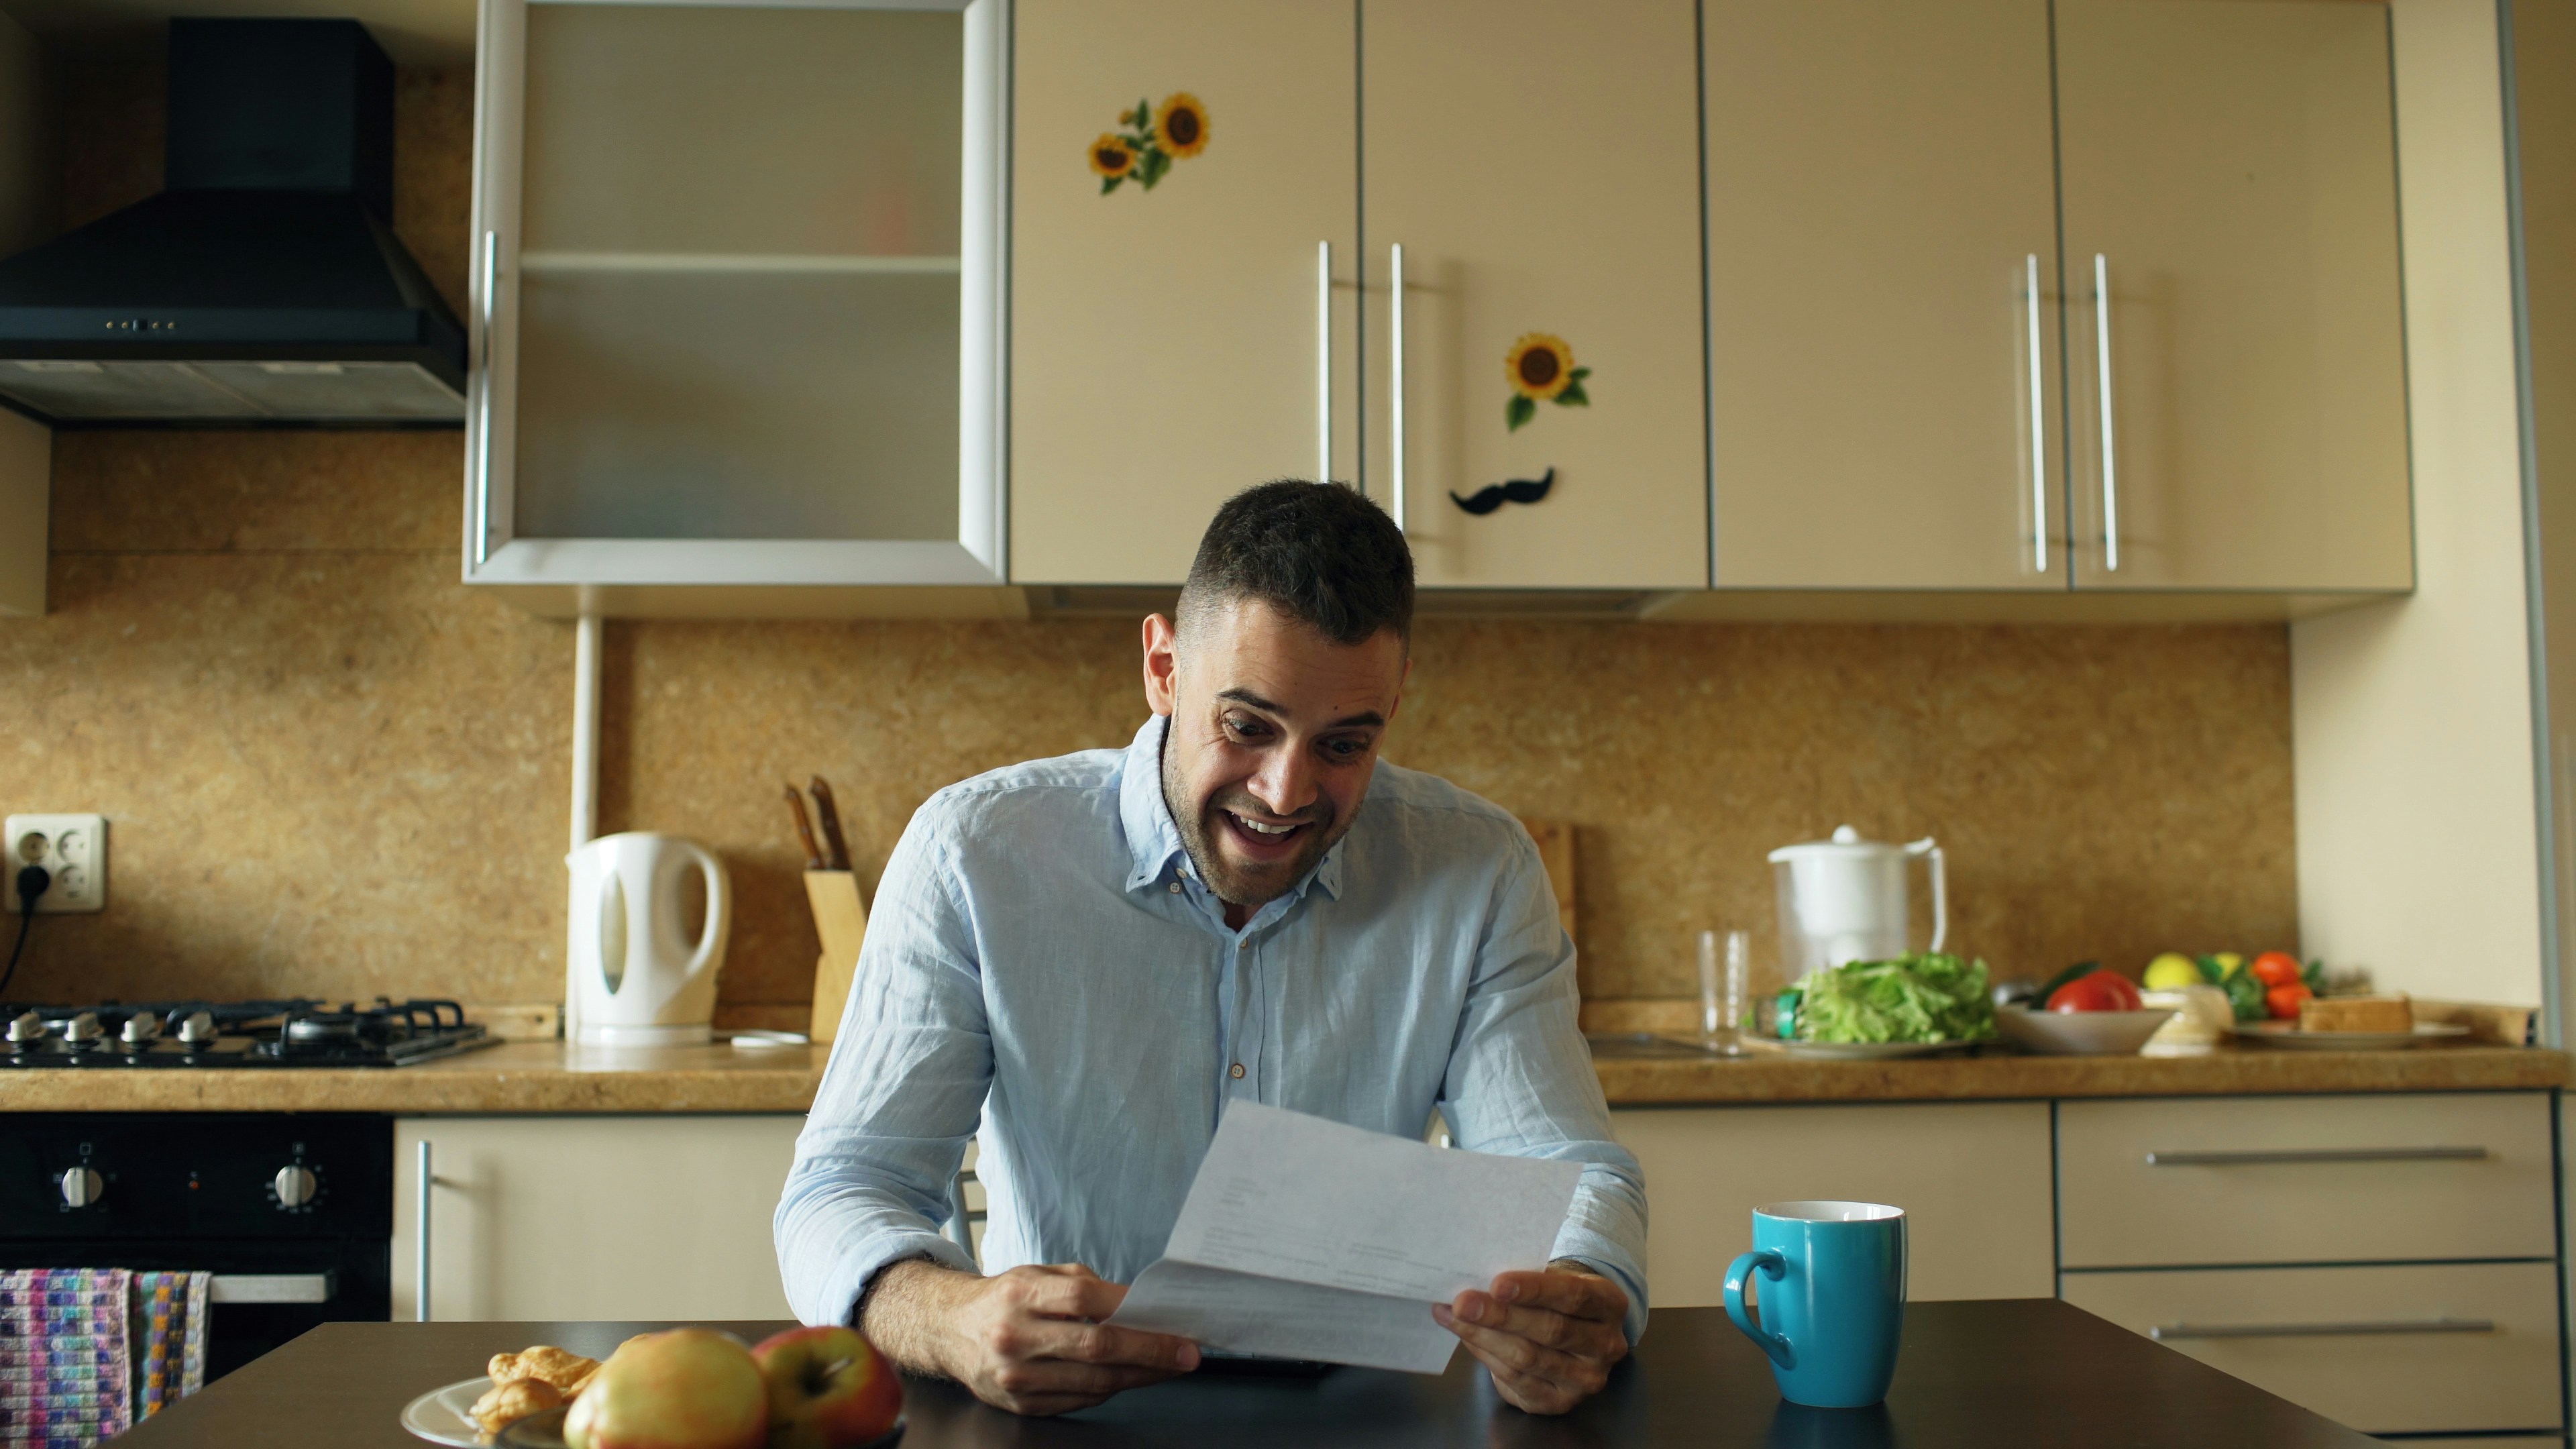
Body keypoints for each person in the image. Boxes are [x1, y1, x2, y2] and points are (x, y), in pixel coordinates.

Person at [774, 480, 1647, 1417]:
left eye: (1344, 745)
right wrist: (948, 1317)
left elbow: (1565, 1167)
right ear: (1163, 667)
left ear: (1393, 707)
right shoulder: (972, 853)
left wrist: (1582, 1291)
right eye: (1247, 726)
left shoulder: (1480, 869)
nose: (1284, 793)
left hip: (1362, 1414)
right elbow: (843, 1187)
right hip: (1060, 1420)